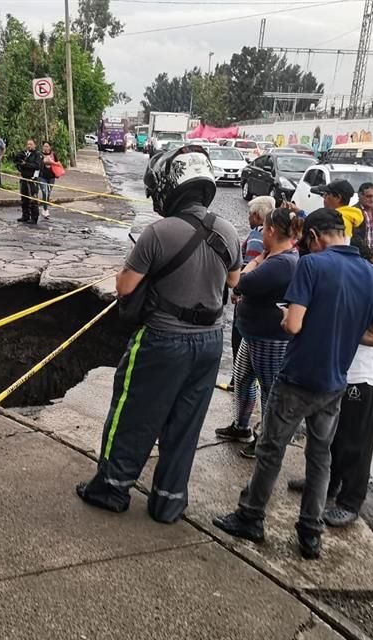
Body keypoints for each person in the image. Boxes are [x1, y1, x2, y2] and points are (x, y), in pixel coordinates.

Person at [76, 146, 242, 524]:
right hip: (210, 344)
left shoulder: (158, 233)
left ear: (171, 187)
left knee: (133, 414)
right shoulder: (229, 231)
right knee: (185, 423)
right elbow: (234, 281)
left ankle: (111, 489)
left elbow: (125, 287)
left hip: (163, 341)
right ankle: (168, 502)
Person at [213, 208, 373, 560]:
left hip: (298, 378)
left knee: (271, 450)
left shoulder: (313, 265)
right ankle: (310, 533)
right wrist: (341, 328)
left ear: (315, 236)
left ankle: (251, 516)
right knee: (320, 458)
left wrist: (288, 316)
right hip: (335, 383)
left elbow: (293, 325)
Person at [286, 272, 373, 528]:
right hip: (340, 370)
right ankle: (329, 484)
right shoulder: (336, 274)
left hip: (366, 374)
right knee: (332, 434)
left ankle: (350, 502)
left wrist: (332, 329)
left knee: (357, 442)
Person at [215, 207, 302, 456]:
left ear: (271, 230)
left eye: (263, 228)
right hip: (253, 334)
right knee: (243, 378)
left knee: (269, 388)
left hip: (269, 338)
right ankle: (242, 426)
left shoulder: (281, 262)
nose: (260, 233)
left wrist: (252, 262)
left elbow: (239, 282)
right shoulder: (274, 257)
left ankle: (265, 438)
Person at [227, 196, 271, 391]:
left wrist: (238, 289)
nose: (248, 218)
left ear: (256, 215)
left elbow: (249, 267)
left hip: (247, 298)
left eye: (249, 214)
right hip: (263, 299)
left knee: (239, 339)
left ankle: (238, 381)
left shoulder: (256, 236)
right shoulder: (272, 235)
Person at [290, 179, 363, 239]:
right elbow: (313, 222)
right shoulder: (348, 215)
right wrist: (299, 212)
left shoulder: (337, 220)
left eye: (327, 194)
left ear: (338, 198)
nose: (324, 197)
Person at [15, 139, 43, 224]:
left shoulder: (37, 154)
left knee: (33, 199)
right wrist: (20, 165)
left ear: (35, 145)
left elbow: (37, 166)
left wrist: (25, 164)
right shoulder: (25, 154)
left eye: (31, 144)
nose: (29, 146)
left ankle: (34, 218)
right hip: (24, 178)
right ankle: (25, 216)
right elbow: (17, 161)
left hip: (32, 179)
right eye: (28, 144)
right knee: (24, 198)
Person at [38, 141, 60, 218]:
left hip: (51, 177)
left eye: (47, 146)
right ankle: (45, 209)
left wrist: (52, 162)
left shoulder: (53, 154)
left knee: (48, 193)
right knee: (45, 192)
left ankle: (45, 207)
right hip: (42, 176)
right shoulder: (39, 154)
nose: (45, 148)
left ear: (50, 147)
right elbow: (38, 163)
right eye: (44, 146)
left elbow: (58, 164)